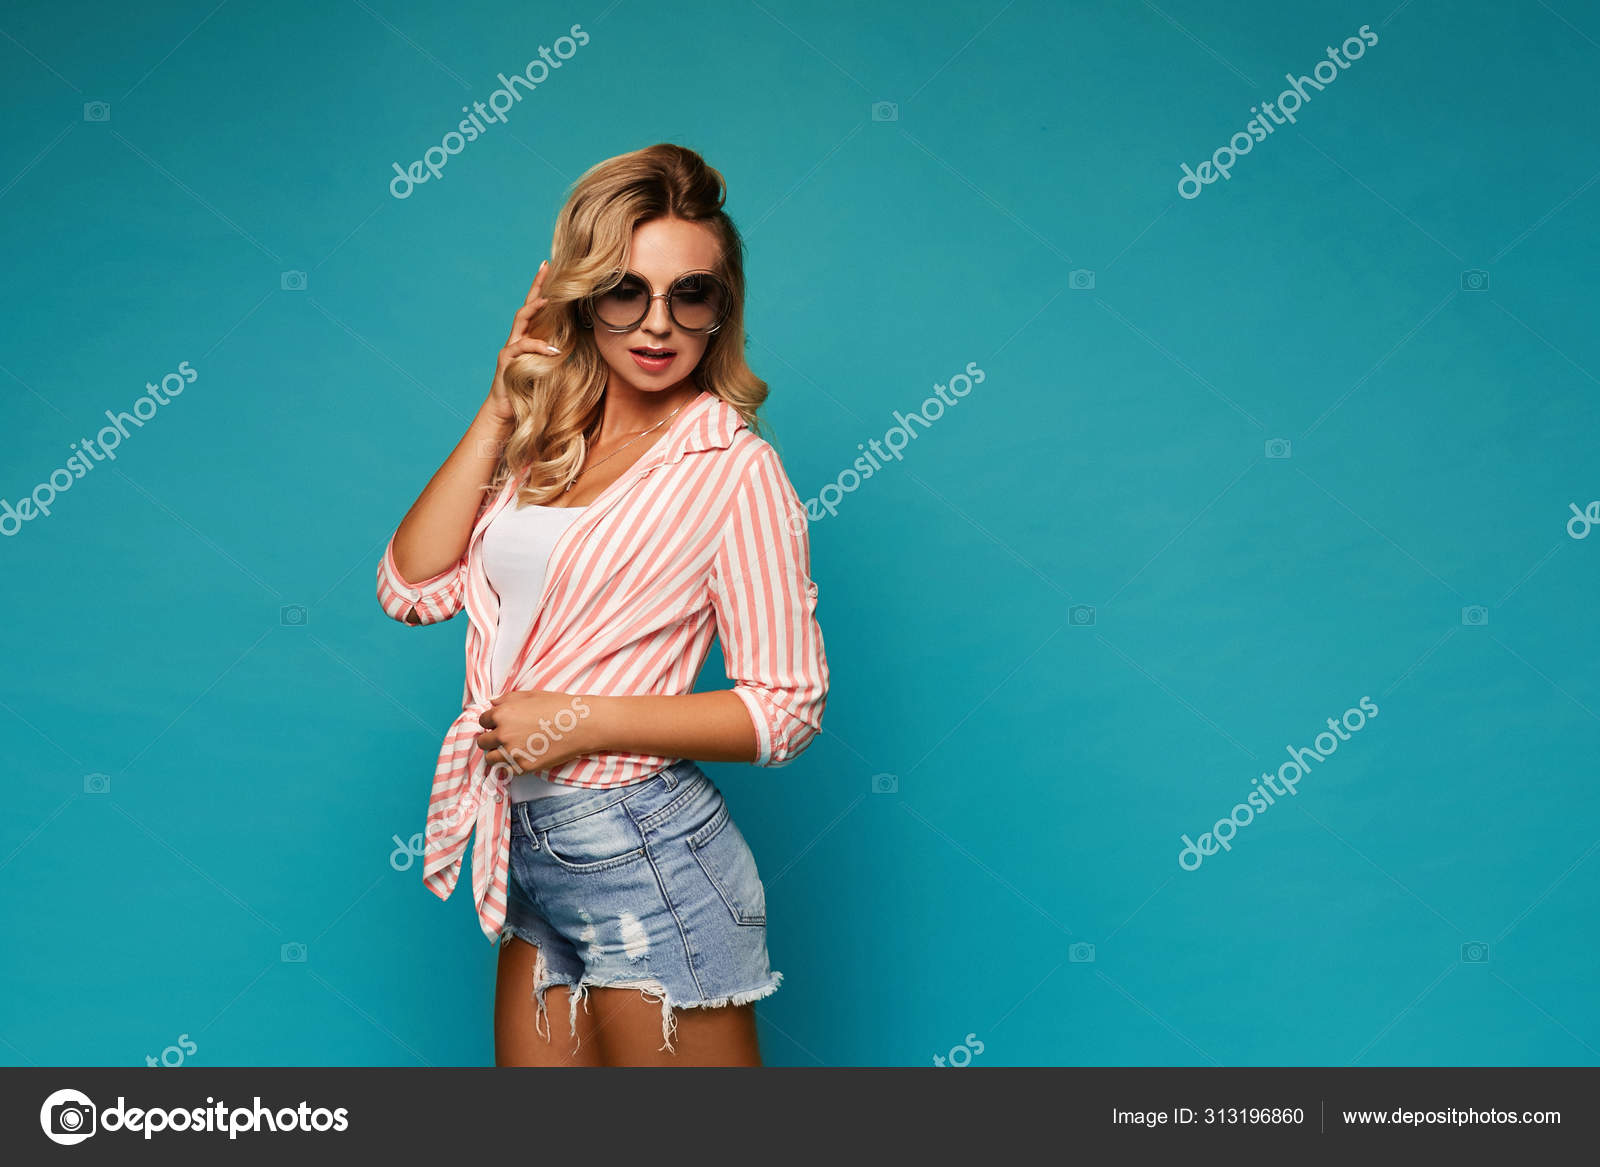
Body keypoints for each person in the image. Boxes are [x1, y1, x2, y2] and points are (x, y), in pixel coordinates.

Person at [375, 143, 829, 1066]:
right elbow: (411, 589)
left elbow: (788, 708)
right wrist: (504, 406)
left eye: (689, 295)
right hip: (529, 844)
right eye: (626, 291)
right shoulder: (547, 449)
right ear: (583, 298)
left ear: (720, 310)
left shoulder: (733, 472)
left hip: (646, 850)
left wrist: (574, 721)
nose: (656, 324)